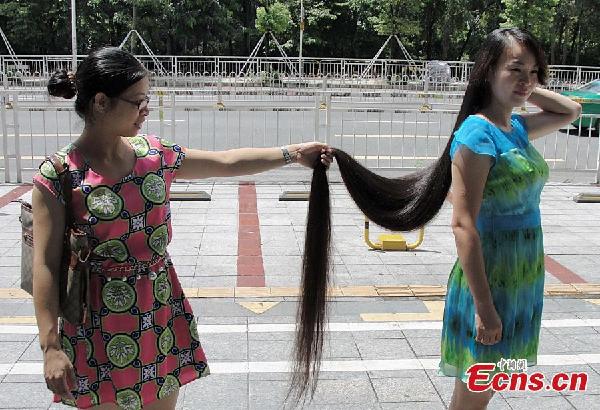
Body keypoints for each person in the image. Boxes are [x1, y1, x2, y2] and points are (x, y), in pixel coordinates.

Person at [292, 27, 581, 408]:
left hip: (522, 274)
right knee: (474, 393)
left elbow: (571, 110)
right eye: (515, 70)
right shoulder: (478, 133)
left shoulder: (516, 128)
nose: (527, 81)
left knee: (484, 387)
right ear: (487, 70)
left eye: (533, 72)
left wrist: (523, 86)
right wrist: (484, 307)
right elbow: (463, 224)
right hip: (491, 276)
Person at [33, 46, 333, 409]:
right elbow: (46, 266)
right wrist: (51, 347)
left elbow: (225, 162)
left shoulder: (154, 155)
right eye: (138, 100)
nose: (146, 109)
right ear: (100, 102)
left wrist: (294, 153)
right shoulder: (60, 174)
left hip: (159, 313)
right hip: (95, 324)